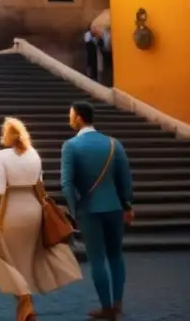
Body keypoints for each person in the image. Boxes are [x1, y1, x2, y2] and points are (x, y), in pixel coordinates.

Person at [0, 118, 82, 321]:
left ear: (8, 134)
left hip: (12, 211)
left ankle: (25, 302)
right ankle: (24, 309)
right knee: (25, 260)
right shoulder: (34, 155)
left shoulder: (1, 155)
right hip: (33, 210)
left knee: (5, 258)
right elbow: (40, 184)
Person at [60, 101, 135, 320]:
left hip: (89, 210)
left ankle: (106, 308)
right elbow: (125, 180)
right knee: (115, 255)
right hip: (113, 207)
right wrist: (127, 204)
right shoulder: (113, 144)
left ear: (80, 118)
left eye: (71, 115)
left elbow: (67, 183)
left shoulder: (70, 146)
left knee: (97, 259)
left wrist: (74, 210)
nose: (69, 119)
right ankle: (118, 302)